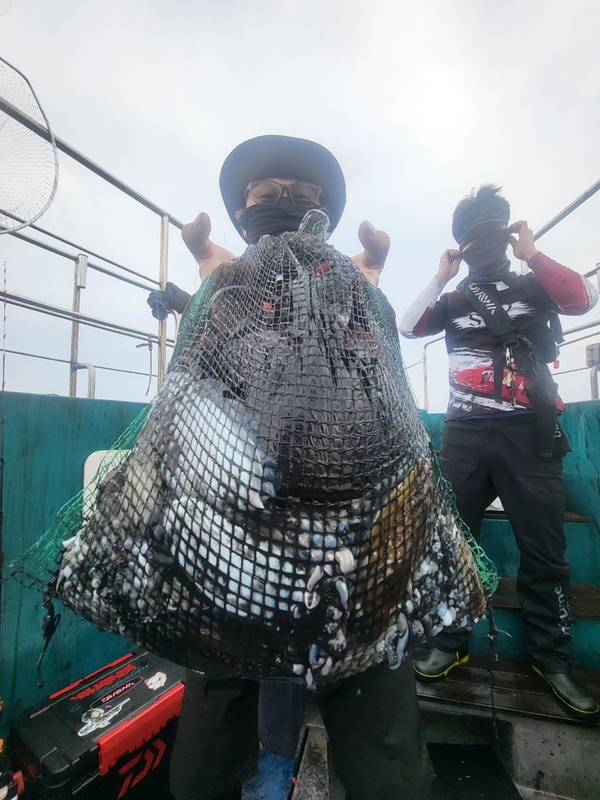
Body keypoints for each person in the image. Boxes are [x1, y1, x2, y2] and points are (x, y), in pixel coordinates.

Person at [155, 135, 433, 800]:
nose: (284, 204)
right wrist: (200, 260)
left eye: (302, 198)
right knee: (205, 755)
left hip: (352, 550)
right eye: (266, 197)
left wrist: (371, 271)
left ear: (325, 222)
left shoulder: (351, 290)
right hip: (232, 549)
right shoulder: (222, 290)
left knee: (386, 759)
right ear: (244, 218)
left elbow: (389, 405)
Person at [399, 184, 599, 721]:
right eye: (473, 238)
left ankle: (551, 660)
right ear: (461, 245)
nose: (484, 246)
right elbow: (407, 324)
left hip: (529, 435)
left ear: (509, 235)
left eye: (493, 234)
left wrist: (531, 251)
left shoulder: (534, 285)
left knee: (545, 551)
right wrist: (442, 275)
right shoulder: (454, 300)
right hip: (463, 436)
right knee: (451, 544)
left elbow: (582, 298)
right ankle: (451, 638)